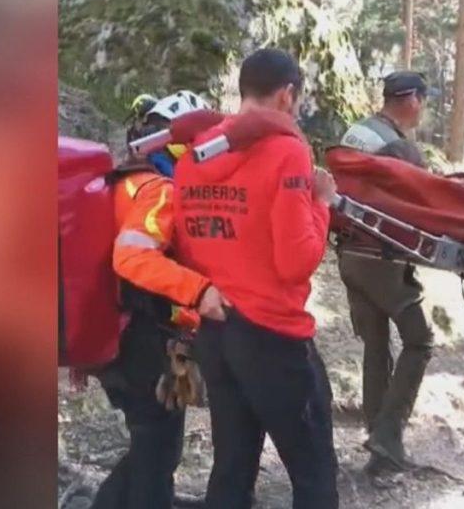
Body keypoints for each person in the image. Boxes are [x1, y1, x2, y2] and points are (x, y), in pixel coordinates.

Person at [171, 48, 340, 509]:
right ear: (287, 95)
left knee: (232, 466)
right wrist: (321, 203)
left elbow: (187, 244)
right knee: (314, 472)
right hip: (273, 334)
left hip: (215, 328)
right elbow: (296, 262)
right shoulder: (287, 151)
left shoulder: (195, 153)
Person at [89, 96, 227, 509]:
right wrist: (200, 291)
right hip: (139, 337)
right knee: (159, 447)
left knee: (151, 444)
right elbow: (132, 257)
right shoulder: (159, 190)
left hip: (109, 331)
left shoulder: (120, 181)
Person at [337, 71, 439, 472]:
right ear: (412, 100)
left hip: (350, 256)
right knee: (420, 339)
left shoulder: (356, 133)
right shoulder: (400, 148)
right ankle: (388, 435)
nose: (423, 109)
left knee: (375, 346)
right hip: (382, 260)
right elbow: (427, 203)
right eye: (423, 101)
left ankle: (379, 443)